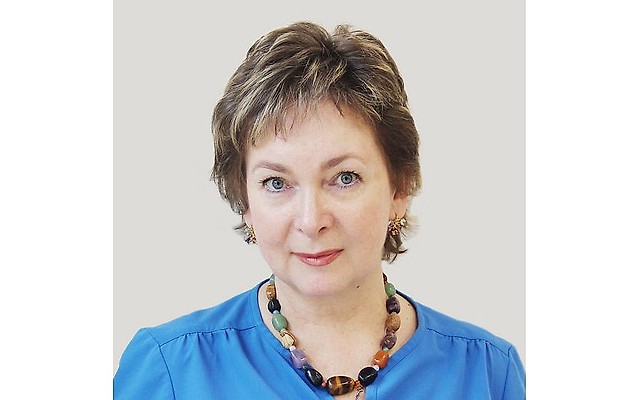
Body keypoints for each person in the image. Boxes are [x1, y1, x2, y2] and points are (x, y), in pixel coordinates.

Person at [113, 21, 525, 399]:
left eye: (344, 177)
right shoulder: (170, 369)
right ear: (245, 202)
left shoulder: (489, 373)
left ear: (399, 189)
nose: (311, 221)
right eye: (277, 183)